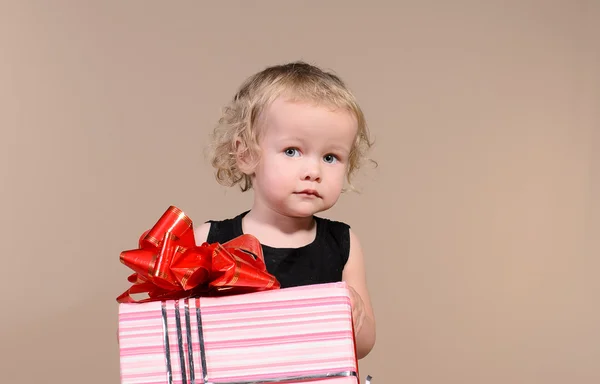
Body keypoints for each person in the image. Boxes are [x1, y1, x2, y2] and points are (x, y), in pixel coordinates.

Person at [194, 61, 376, 359]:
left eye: (331, 157)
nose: (313, 171)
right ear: (246, 154)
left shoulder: (343, 242)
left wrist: (355, 313)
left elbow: (366, 344)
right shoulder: (209, 241)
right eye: (292, 151)